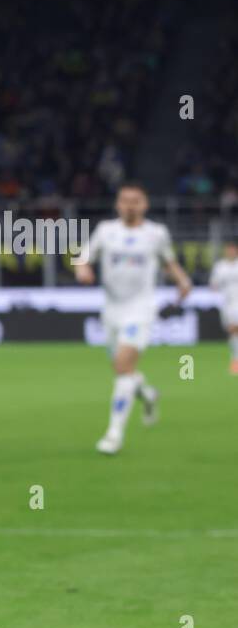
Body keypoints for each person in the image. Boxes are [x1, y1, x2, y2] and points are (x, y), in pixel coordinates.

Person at [75, 182, 192, 454]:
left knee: (124, 365)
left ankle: (114, 434)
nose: (130, 205)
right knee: (122, 370)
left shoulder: (156, 233)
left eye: (136, 200)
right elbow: (83, 258)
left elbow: (168, 262)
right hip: (111, 311)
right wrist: (82, 271)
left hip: (141, 309)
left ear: (145, 204)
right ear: (118, 204)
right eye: (125, 200)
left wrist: (183, 281)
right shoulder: (106, 231)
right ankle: (148, 394)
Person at [208, 241, 238, 374]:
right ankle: (235, 359)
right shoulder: (220, 266)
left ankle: (235, 361)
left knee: (234, 328)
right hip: (227, 303)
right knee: (231, 331)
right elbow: (213, 284)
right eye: (228, 250)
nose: (230, 252)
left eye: (233, 250)